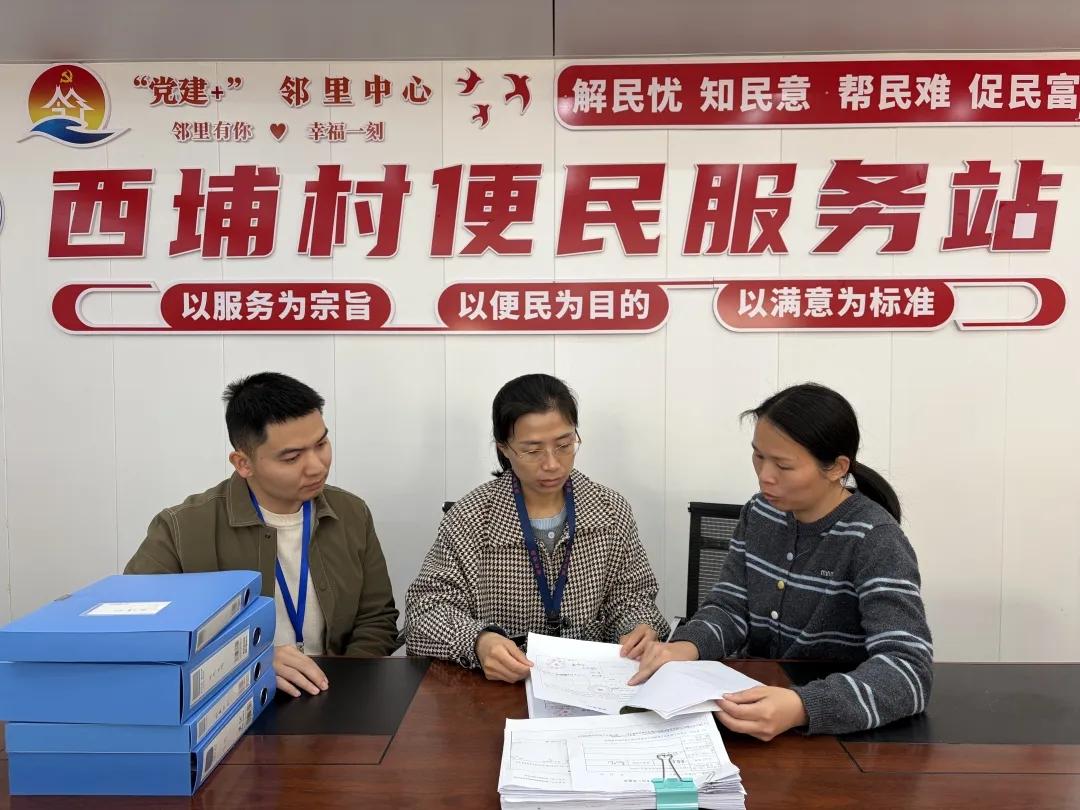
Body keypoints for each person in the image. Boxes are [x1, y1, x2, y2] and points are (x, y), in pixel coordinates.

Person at [630, 382, 933, 740]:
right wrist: (687, 646)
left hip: (839, 736)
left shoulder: (874, 538)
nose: (764, 475)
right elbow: (730, 607)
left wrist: (802, 706)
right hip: (749, 710)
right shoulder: (760, 513)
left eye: (783, 465)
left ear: (837, 467)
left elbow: (908, 671)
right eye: (758, 456)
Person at [125, 372, 400, 698]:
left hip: (334, 696)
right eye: (292, 457)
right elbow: (135, 634)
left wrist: (341, 684)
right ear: (243, 463)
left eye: (322, 444)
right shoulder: (182, 529)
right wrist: (249, 660)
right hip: (228, 702)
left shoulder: (351, 513)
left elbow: (376, 619)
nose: (317, 466)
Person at [404, 373, 668, 682]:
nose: (552, 463)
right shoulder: (471, 518)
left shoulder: (610, 510)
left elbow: (632, 598)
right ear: (504, 448)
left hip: (591, 684)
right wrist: (477, 642)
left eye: (564, 445)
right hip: (501, 688)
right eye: (532, 450)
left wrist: (638, 628)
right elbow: (424, 612)